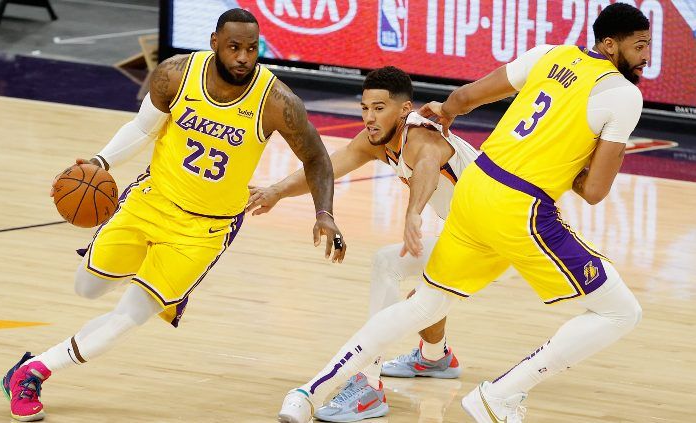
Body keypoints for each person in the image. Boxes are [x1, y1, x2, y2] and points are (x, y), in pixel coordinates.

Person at [278, 3, 648, 422]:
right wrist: (576, 162)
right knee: (621, 312)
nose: (646, 57)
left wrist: (448, 111)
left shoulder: (550, 53)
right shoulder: (623, 94)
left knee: (421, 307)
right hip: (520, 208)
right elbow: (596, 191)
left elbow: (462, 98)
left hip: (476, 190)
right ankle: (501, 395)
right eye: (640, 46)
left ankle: (308, 393)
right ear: (610, 44)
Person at [0, 8, 346, 422]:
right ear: (215, 41)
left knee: (131, 315)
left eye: (252, 49)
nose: (243, 57)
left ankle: (32, 371)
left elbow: (317, 157)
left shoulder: (276, 101)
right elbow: (143, 129)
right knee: (87, 289)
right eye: (234, 47)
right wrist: (100, 160)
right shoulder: (176, 74)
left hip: (204, 229)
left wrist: (323, 211)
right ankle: (140, 269)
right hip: (151, 200)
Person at [249, 66, 472, 422]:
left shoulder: (421, 137)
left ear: (404, 109)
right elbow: (326, 167)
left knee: (406, 283)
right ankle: (434, 357)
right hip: (464, 233)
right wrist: (276, 191)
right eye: (365, 107)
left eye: (379, 108)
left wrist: (413, 213)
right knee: (402, 276)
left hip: (490, 236)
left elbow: (428, 165)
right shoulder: (376, 141)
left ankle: (368, 385)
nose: (369, 116)